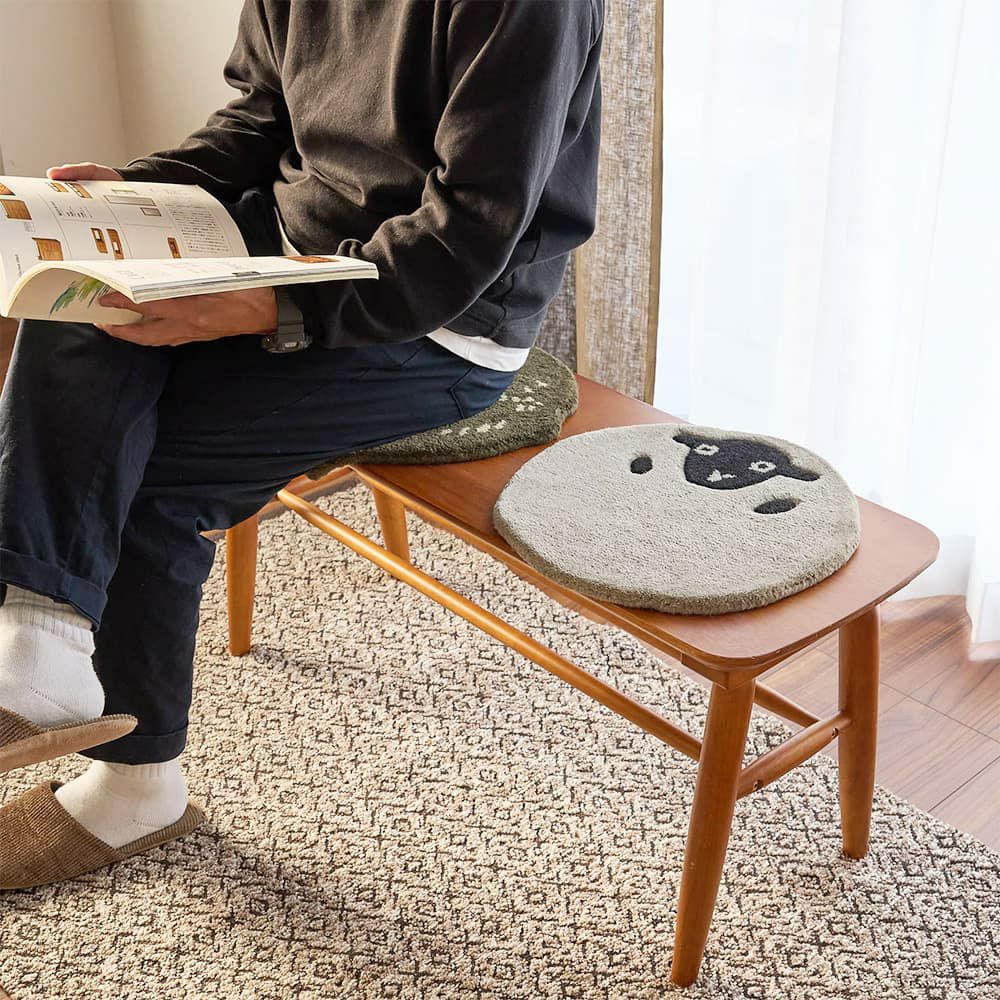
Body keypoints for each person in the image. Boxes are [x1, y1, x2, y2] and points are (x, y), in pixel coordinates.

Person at [0, 1, 602, 888]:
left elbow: (470, 228)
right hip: (286, 242)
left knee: (148, 474)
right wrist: (129, 193)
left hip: (442, 319)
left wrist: (268, 306)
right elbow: (260, 118)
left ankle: (138, 786)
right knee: (75, 295)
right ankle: (40, 627)